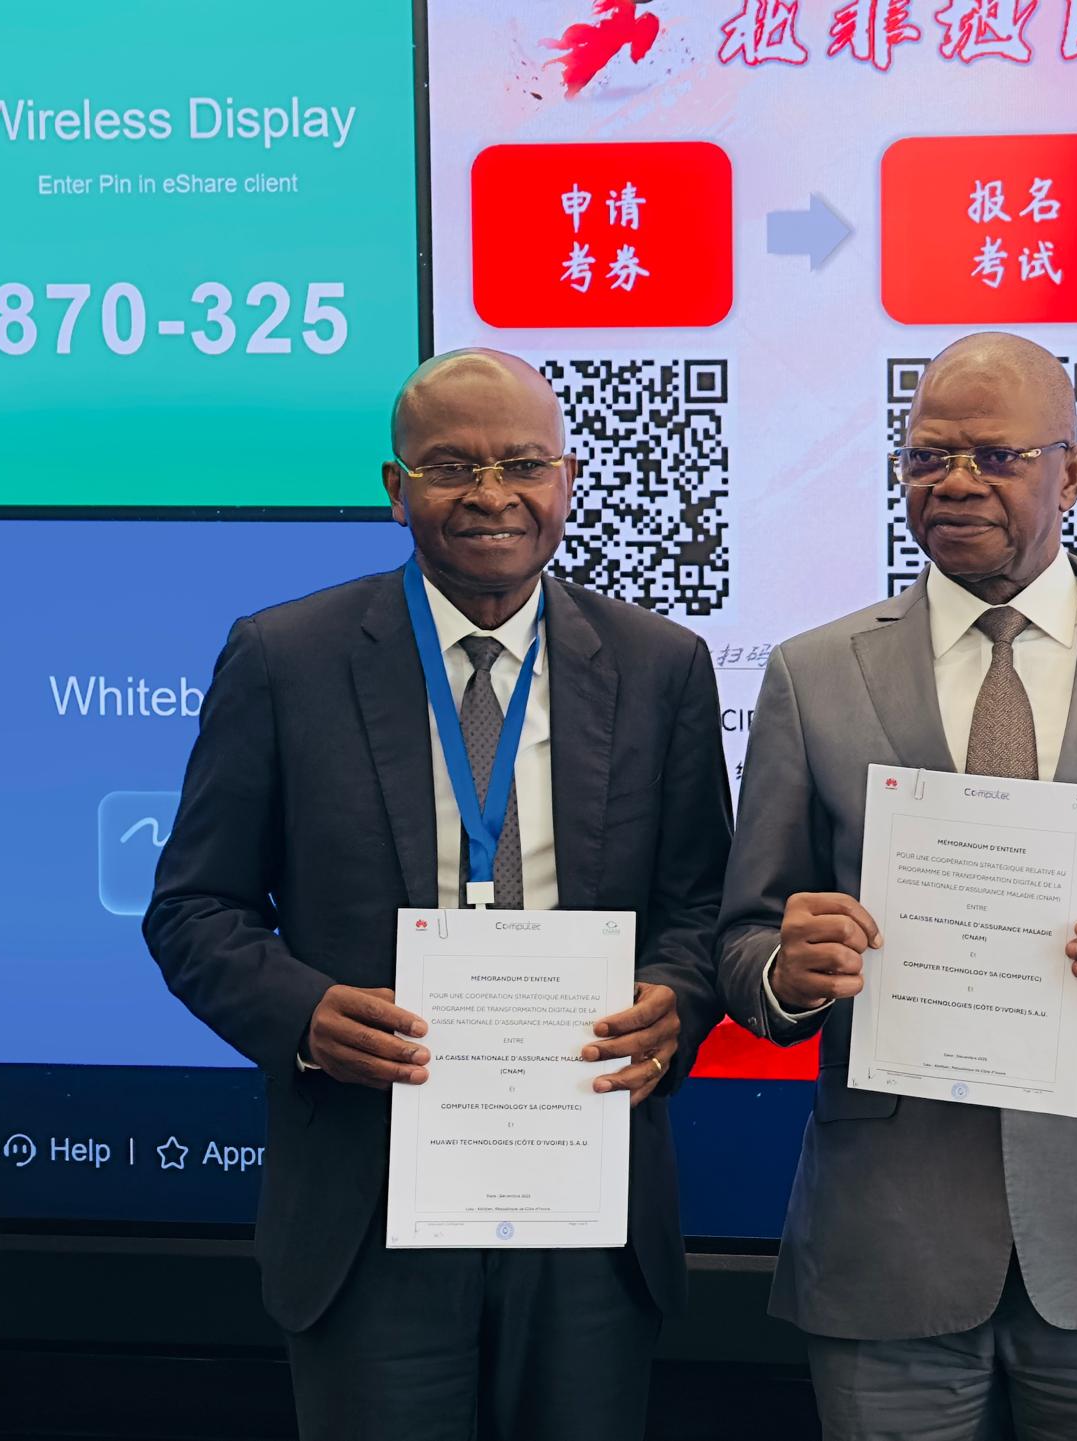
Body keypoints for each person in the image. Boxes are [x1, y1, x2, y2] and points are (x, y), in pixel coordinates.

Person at [716, 331, 1077, 1440]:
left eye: (995, 456)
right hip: (886, 1236)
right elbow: (744, 935)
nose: (954, 483)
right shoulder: (810, 671)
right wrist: (786, 974)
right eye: (926, 456)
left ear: (1070, 472)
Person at [144, 348, 732, 1441]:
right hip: (366, 1203)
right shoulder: (284, 657)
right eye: (452, 467)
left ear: (567, 480)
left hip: (586, 1198)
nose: (491, 494)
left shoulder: (661, 666)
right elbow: (193, 908)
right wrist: (306, 1017)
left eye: (523, 464)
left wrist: (677, 1002)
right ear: (395, 487)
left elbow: (701, 906)